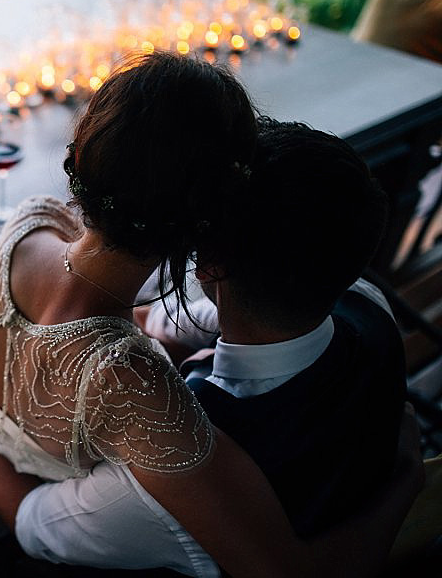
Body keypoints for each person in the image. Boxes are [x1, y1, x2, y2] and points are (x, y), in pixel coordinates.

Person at [0, 53, 424, 577]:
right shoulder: (364, 301)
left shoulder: (31, 220)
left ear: (81, 156)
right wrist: (408, 481)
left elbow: (35, 528)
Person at [140, 118, 406, 538]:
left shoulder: (185, 445)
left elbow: (36, 526)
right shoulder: (364, 301)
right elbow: (210, 316)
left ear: (209, 262)